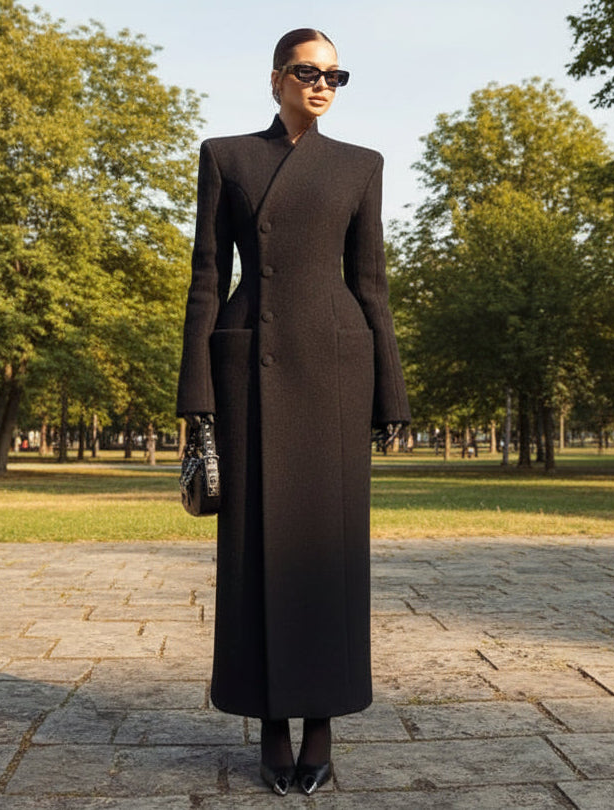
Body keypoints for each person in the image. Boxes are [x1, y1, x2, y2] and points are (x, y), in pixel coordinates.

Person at [176, 28, 410, 796]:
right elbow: (207, 278)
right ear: (277, 78)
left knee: (327, 554)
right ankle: (270, 724)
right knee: (255, 553)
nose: (322, 84)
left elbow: (371, 283)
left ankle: (322, 726)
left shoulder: (361, 166)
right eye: (309, 72)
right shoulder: (226, 156)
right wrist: (195, 397)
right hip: (250, 366)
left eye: (335, 75)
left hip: (336, 372)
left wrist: (390, 391)